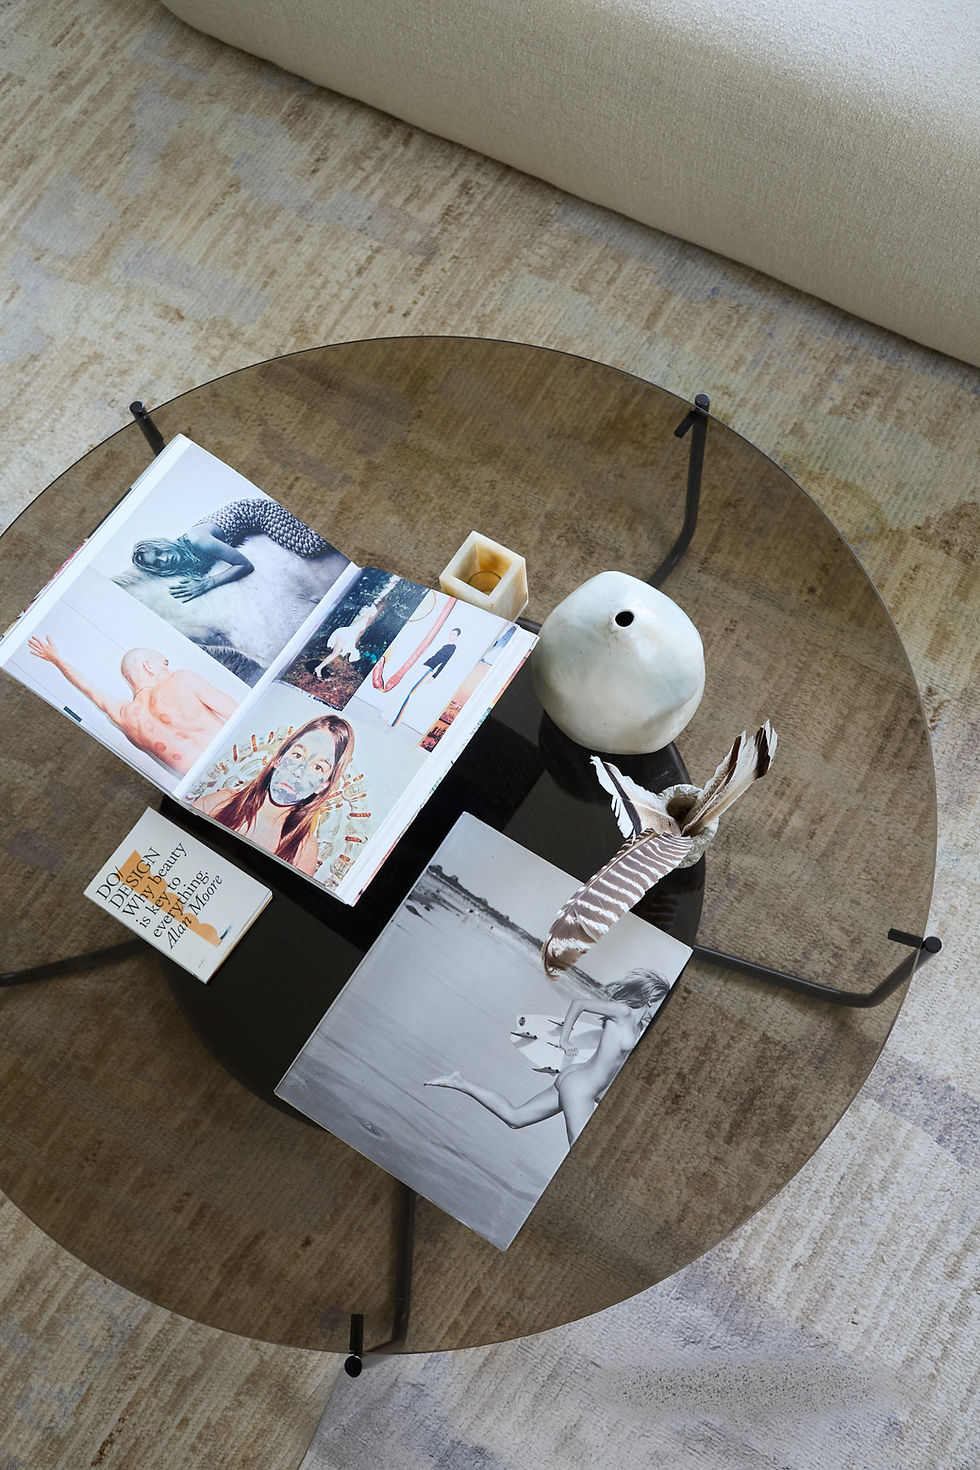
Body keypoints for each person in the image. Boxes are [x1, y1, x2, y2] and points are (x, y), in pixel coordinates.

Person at [425, 969, 670, 1146]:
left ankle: (458, 1082)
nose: (663, 1010)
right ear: (651, 999)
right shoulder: (623, 1012)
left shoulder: (640, 1029)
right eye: (662, 1003)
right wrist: (564, 1039)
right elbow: (579, 1003)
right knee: (581, 1152)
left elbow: (612, 1065)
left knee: (515, 1118)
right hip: (580, 1088)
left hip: (576, 1078)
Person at [28, 634, 238, 774]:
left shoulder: (125, 716)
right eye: (165, 663)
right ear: (148, 666)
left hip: (209, 783)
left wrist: (57, 660)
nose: (169, 669)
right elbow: (237, 714)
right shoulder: (182, 680)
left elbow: (88, 688)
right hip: (240, 756)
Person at [194, 712, 354, 875]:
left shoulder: (304, 850)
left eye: (318, 767)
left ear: (323, 786)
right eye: (298, 755)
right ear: (279, 758)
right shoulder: (221, 802)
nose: (299, 772)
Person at [131, 497, 336, 601]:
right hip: (248, 521)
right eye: (157, 562)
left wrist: (207, 584)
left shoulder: (197, 539)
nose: (164, 559)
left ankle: (333, 511)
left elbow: (245, 565)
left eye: (159, 552)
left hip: (259, 513)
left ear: (162, 544)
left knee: (310, 546)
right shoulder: (187, 556)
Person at [388, 626, 461, 727]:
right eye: (450, 633)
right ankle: (389, 714)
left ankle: (395, 720)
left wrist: (434, 676)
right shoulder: (445, 645)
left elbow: (444, 663)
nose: (451, 636)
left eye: (453, 634)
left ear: (457, 636)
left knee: (409, 692)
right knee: (405, 688)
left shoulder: (452, 648)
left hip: (428, 669)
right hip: (423, 666)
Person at [313, 602, 380, 678]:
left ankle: (319, 668)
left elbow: (355, 631)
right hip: (345, 635)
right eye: (371, 613)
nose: (371, 615)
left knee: (335, 653)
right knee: (335, 653)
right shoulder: (364, 619)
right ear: (368, 612)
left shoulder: (364, 619)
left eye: (372, 614)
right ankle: (318, 668)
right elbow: (354, 630)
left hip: (346, 635)